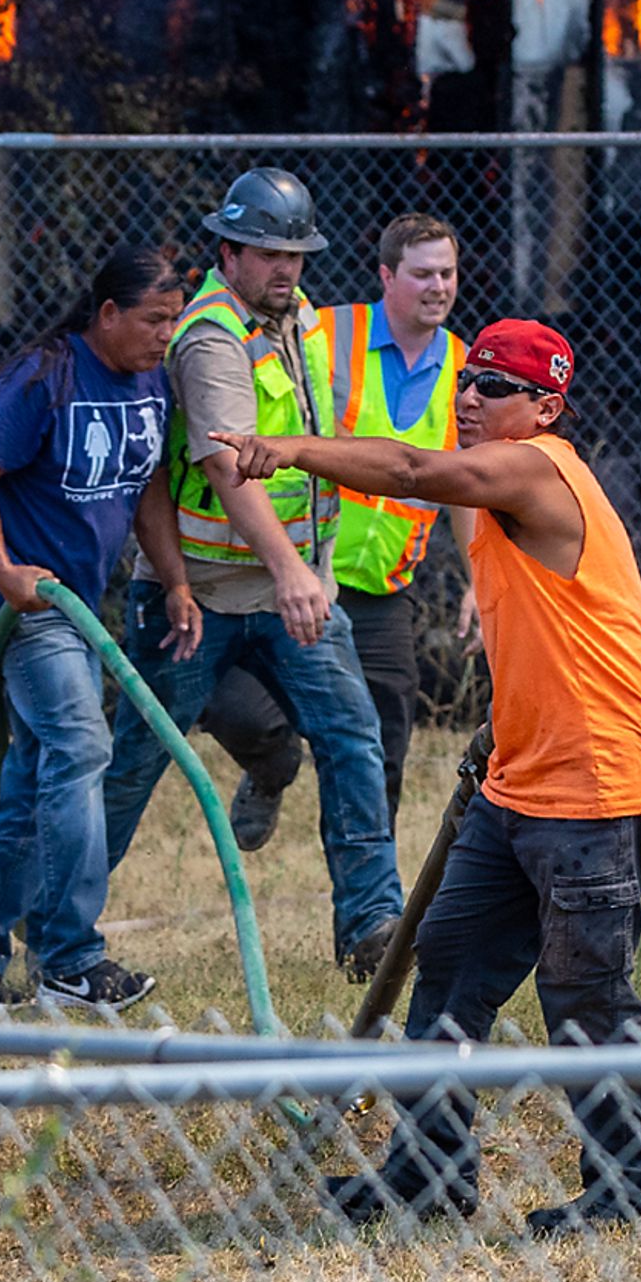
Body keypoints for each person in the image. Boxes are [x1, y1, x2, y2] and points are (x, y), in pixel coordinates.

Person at [208, 317, 641, 1235]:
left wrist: (289, 450)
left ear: (546, 406)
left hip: (602, 788)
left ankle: (632, 1188)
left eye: (495, 386)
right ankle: (431, 1175)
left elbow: (410, 472)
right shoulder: (498, 480)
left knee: (585, 992)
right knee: (450, 968)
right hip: (523, 784)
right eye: (467, 380)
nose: (470, 397)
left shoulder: (536, 466)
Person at [106, 167, 409, 977]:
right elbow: (225, 461)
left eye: (297, 254)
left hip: (288, 587)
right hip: (196, 595)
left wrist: (303, 570)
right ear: (229, 251)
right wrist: (292, 572)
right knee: (135, 759)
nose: (287, 269)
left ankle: (373, 929)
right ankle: (58, 928)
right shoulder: (209, 336)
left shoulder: (296, 317)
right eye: (270, 254)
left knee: (353, 738)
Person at [0, 243, 195, 1014]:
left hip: (83, 605)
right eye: (153, 320)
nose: (165, 335)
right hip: (28, 605)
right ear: (109, 313)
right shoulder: (43, 376)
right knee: (82, 746)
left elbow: (149, 486)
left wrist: (177, 579)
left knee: (33, 782)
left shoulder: (151, 383)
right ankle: (69, 959)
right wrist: (2, 568)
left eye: (175, 321)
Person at [208, 214, 465, 845]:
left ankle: (374, 918)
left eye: (448, 273)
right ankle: (271, 766)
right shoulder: (323, 332)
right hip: (297, 570)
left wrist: (478, 580)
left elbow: (466, 481)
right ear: (386, 275)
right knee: (239, 707)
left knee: (380, 752)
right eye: (423, 273)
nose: (439, 287)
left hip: (382, 589)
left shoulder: (461, 362)